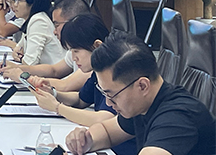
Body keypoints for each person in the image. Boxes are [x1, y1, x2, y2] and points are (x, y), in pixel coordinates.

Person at [65, 33, 215, 155]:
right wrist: (85, 140)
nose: (108, 103)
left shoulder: (177, 118)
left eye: (112, 95)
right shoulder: (142, 103)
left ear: (142, 86)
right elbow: (107, 132)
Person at [29, 14, 135, 155]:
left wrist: (57, 107)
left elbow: (105, 118)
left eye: (76, 51)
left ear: (97, 46)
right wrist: (53, 93)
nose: (74, 58)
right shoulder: (97, 72)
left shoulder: (116, 74)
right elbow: (80, 99)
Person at [0, 0, 92, 91]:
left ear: (74, 21)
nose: (54, 31)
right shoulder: (75, 47)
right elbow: (54, 70)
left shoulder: (91, 51)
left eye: (57, 25)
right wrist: (17, 67)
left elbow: (65, 85)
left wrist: (24, 77)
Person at [0, 0, 64, 65]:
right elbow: (18, 48)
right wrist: (16, 53)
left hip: (53, 71)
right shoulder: (30, 19)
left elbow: (30, 62)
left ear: (33, 3)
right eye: (16, 0)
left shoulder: (39, 21)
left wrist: (14, 65)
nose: (15, 5)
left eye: (19, 0)